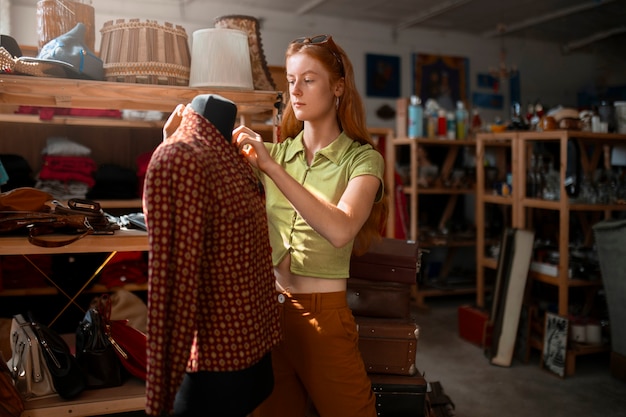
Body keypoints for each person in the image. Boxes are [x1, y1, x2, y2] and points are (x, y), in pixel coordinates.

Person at [233, 34, 389, 417]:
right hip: (267, 312)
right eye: (290, 80)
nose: (296, 91)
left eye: (309, 79)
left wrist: (270, 168)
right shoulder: (277, 152)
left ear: (337, 87)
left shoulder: (363, 159)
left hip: (324, 316)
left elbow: (341, 229)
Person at [142, 94, 281, 417]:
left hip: (252, 352)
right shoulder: (181, 157)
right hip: (213, 368)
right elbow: (172, 287)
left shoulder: (231, 156)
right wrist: (159, 400)